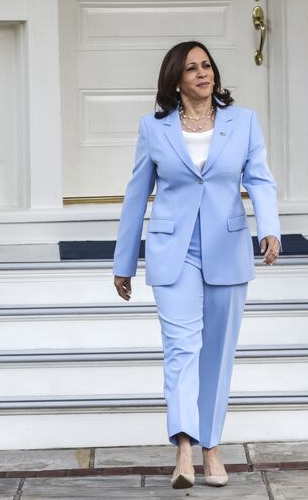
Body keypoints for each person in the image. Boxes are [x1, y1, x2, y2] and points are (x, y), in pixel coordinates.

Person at [112, 41, 280, 489]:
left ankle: (212, 446)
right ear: (176, 79)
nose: (203, 73)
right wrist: (123, 262)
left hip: (227, 248)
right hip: (174, 251)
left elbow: (260, 178)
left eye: (207, 65)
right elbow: (135, 196)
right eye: (192, 68)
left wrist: (271, 228)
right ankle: (185, 448)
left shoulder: (243, 122)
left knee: (217, 354)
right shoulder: (155, 128)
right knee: (181, 349)